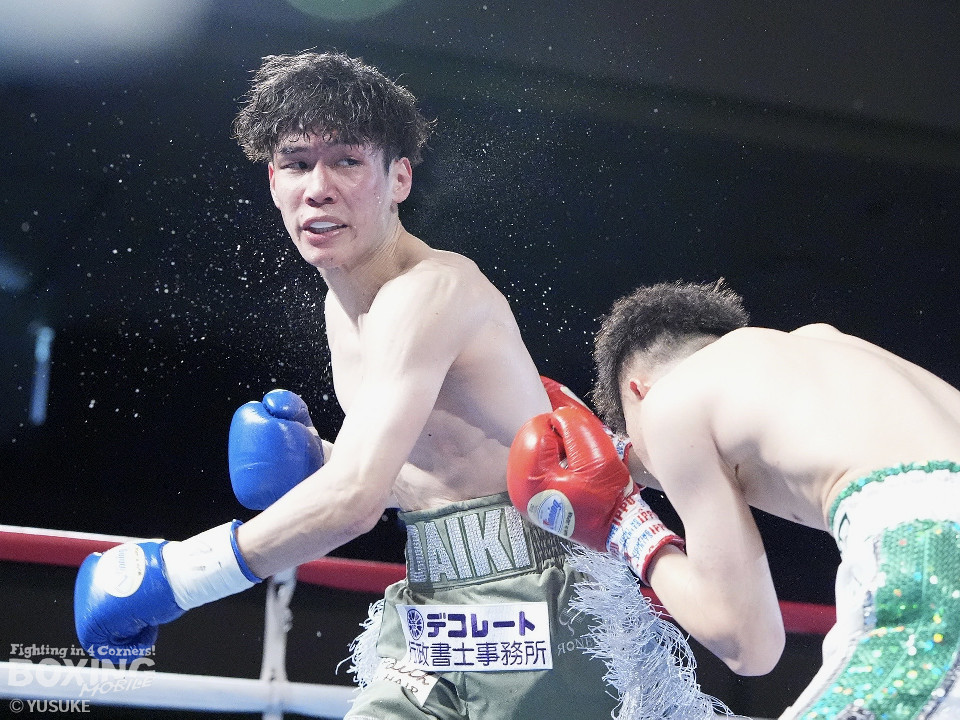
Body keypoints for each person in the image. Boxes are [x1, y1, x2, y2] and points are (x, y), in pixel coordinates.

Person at [73, 50, 636, 720]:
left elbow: (355, 503)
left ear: (399, 178)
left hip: (542, 606)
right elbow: (426, 473)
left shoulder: (431, 291)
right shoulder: (341, 307)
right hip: (435, 601)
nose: (318, 188)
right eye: (296, 163)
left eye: (346, 161)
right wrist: (322, 458)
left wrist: (173, 579)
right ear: (272, 181)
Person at [507, 279, 960, 719]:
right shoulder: (820, 348)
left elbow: (750, 644)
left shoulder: (668, 404)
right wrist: (616, 456)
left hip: (930, 555)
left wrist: (622, 522)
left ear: (637, 390)